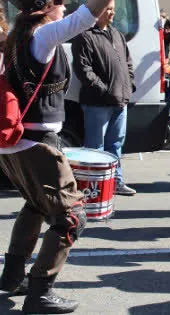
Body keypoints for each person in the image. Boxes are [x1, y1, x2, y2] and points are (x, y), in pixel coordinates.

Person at [0, 0, 112, 313]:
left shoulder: (15, 38)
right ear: (46, 9)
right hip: (36, 143)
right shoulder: (43, 36)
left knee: (36, 206)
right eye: (60, 3)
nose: (64, 8)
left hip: (16, 143)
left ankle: (11, 276)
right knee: (72, 216)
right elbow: (85, 16)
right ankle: (40, 293)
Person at [72, 0, 137, 196]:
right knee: (95, 148)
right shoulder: (84, 35)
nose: (111, 13)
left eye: (113, 10)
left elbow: (128, 63)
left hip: (120, 100)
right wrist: (105, 90)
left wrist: (129, 85)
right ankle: (95, 188)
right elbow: (83, 70)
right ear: (97, 10)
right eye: (107, 9)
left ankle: (115, 182)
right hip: (97, 103)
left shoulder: (117, 34)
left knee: (115, 145)